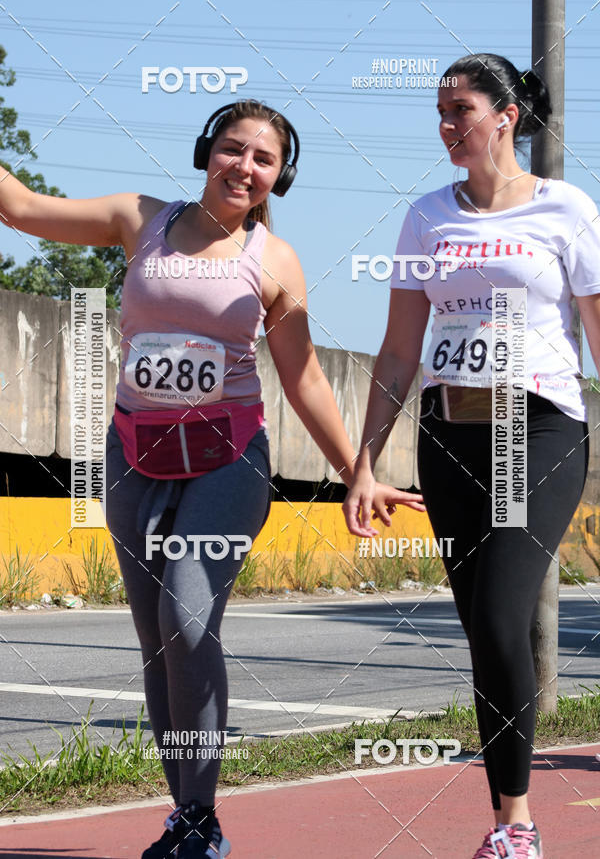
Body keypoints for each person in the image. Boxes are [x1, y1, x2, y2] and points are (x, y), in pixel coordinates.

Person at [0, 99, 424, 858]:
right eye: (234, 150)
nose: (246, 167)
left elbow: (305, 381)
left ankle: (201, 814)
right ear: (207, 151)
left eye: (263, 159)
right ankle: (187, 815)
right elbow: (23, 208)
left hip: (229, 461)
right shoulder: (142, 219)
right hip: (133, 455)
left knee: (188, 622)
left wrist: (356, 471)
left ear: (279, 177)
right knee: (158, 645)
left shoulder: (276, 260)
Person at [343, 54, 600, 859]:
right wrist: (363, 463)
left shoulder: (566, 210)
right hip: (449, 432)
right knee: (482, 631)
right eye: (441, 111)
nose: (449, 125)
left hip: (538, 428)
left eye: (462, 109)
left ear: (508, 114)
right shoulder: (426, 216)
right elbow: (395, 354)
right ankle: (505, 823)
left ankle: (516, 825)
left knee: (500, 614)